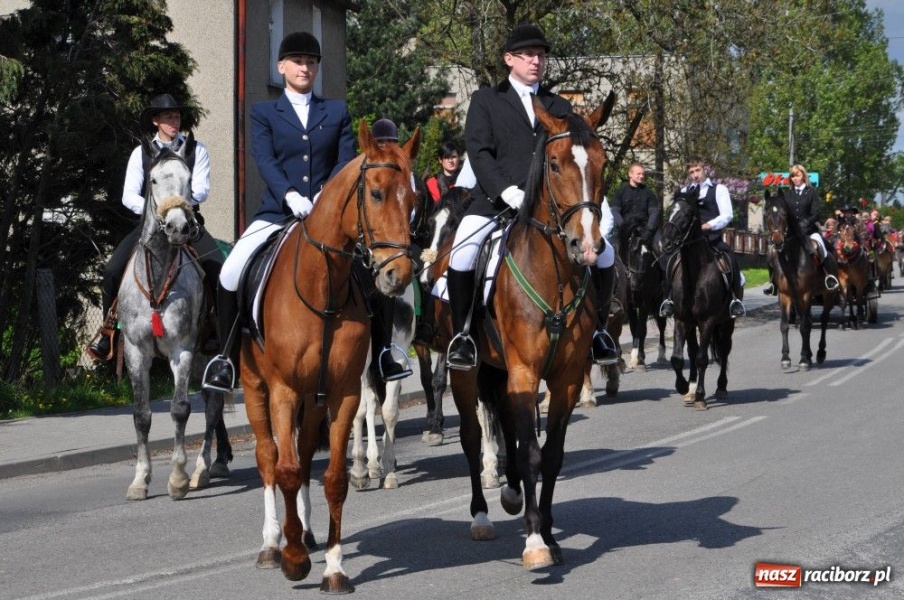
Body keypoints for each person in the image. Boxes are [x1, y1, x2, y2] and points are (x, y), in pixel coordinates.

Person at [444, 22, 618, 370]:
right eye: (527, 55)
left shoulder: (560, 106)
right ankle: (463, 336)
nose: (535, 61)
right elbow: (479, 154)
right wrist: (505, 190)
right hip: (495, 202)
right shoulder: (485, 101)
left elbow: (576, 157)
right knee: (461, 253)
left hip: (549, 210)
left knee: (605, 254)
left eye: (540, 55)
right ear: (509, 59)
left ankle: (598, 329)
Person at [202, 31, 356, 392]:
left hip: (328, 215)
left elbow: (345, 160)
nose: (305, 67)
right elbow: (265, 160)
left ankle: (384, 352)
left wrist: (323, 195)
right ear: (281, 66)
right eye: (298, 61)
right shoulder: (264, 113)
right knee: (230, 272)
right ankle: (225, 358)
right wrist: (290, 195)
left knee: (366, 273)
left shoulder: (336, 111)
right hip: (277, 213)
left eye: (312, 62)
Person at [87, 93, 215, 361]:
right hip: (150, 226)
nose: (174, 122)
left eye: (177, 116)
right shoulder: (141, 153)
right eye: (169, 117)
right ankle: (110, 330)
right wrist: (157, 214)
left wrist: (176, 209)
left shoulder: (195, 150)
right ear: (156, 121)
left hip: (187, 224)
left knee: (219, 269)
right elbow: (128, 195)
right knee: (111, 271)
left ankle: (216, 330)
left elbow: (201, 190)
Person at [659, 157, 746, 318]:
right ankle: (668, 299)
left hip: (711, 238)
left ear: (705, 169)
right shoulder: (684, 192)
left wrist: (708, 225)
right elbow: (676, 214)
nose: (695, 174)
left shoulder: (719, 189)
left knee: (730, 259)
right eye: (691, 172)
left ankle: (735, 300)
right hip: (688, 242)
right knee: (669, 261)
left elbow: (727, 215)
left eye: (697, 170)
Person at [762, 164, 839, 296]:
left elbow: (816, 214)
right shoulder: (787, 195)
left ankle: (828, 277)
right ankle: (773, 282)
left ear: (803, 176)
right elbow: (781, 213)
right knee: (771, 252)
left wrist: (805, 223)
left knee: (821, 247)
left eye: (798, 175)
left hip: (809, 231)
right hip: (791, 233)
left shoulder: (811, 193)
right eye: (793, 176)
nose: (795, 178)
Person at [609, 161, 661, 258]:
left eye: (643, 174)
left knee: (661, 249)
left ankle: (664, 272)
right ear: (630, 174)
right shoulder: (621, 192)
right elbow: (615, 211)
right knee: (608, 250)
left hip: (645, 231)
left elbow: (654, 212)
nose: (641, 176)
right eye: (638, 174)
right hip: (624, 231)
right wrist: (624, 228)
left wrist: (648, 231)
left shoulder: (648, 193)